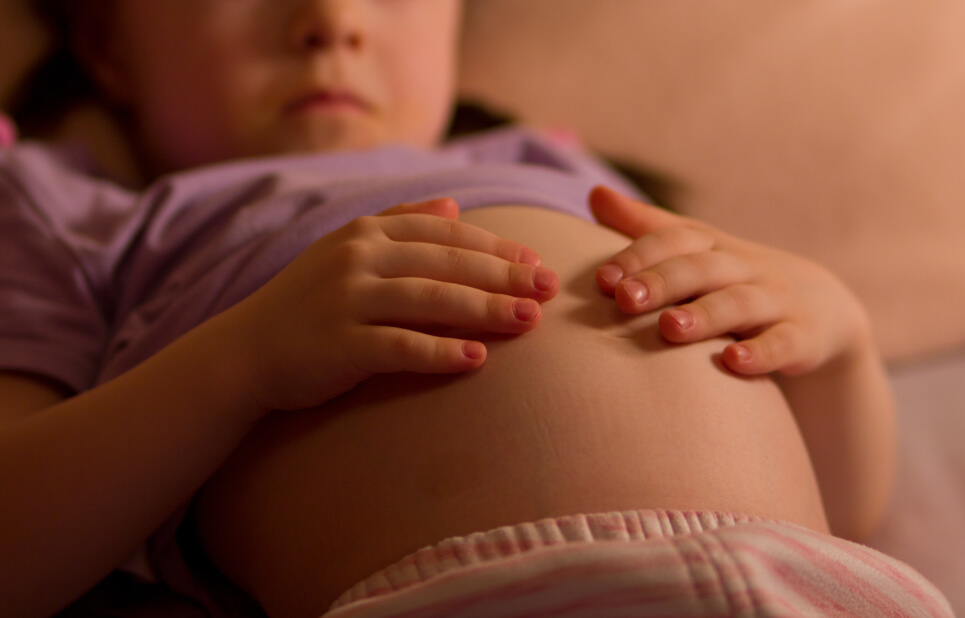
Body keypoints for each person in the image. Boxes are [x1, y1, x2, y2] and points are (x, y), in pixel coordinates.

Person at [0, 1, 897, 617]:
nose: (332, 20)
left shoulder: (563, 170)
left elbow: (846, 506)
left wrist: (843, 339)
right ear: (109, 43)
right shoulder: (70, 213)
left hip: (810, 583)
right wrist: (241, 364)